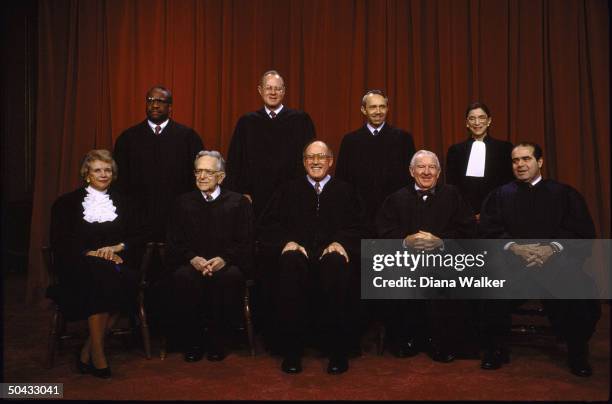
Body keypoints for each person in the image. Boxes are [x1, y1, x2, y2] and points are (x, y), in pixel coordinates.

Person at [479, 142, 601, 377]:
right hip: (512, 265)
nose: (520, 165)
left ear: (540, 162)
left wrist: (551, 249)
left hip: (555, 264)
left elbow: (580, 231)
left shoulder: (564, 193)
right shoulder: (501, 195)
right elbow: (488, 231)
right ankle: (495, 349)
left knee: (578, 283)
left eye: (526, 159)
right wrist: (515, 248)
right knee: (489, 282)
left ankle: (577, 351)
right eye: (515, 161)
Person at [258, 141, 364, 375]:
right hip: (299, 257)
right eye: (310, 157)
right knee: (290, 262)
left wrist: (340, 243)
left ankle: (338, 351)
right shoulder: (287, 190)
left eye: (321, 157)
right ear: (304, 162)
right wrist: (288, 241)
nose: (316, 162)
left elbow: (359, 226)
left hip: (331, 258)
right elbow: (269, 225)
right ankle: (292, 351)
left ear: (331, 161)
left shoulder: (345, 190)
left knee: (337, 263)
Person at [50, 149, 149, 378]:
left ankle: (88, 351)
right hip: (79, 265)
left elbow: (142, 234)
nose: (103, 174)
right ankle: (99, 356)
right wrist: (92, 254)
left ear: (113, 173)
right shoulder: (66, 203)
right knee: (101, 276)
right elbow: (60, 241)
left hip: (117, 263)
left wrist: (117, 248)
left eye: (107, 170)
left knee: (117, 278)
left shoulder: (125, 202)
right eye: (97, 170)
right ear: (87, 173)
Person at [376, 150, 476, 362]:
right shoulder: (395, 199)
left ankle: (443, 342)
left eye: (432, 167)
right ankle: (406, 340)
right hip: (405, 260)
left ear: (439, 173)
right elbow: (382, 232)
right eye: (421, 167)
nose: (427, 172)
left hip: (445, 258)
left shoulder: (453, 195)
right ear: (412, 172)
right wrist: (405, 241)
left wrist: (441, 242)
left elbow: (468, 231)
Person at [166, 150, 254, 362]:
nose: (202, 177)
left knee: (229, 277)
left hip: (227, 263)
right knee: (183, 277)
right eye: (198, 171)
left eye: (208, 172)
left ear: (221, 177)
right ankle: (193, 342)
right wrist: (193, 258)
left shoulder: (238, 202)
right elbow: (174, 241)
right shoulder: (182, 202)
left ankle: (218, 341)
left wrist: (224, 259)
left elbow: (245, 241)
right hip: (192, 262)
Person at [113, 85, 204, 241]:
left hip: (177, 216)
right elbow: (119, 181)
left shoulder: (188, 137)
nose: (154, 105)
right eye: (150, 100)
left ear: (170, 107)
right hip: (137, 218)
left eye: (160, 101)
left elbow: (198, 178)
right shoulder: (128, 138)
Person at [224, 70, 316, 219]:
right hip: (255, 198)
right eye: (268, 88)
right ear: (260, 90)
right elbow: (235, 161)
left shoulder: (301, 121)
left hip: (292, 196)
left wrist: (304, 190)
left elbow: (311, 159)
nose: (273, 93)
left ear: (284, 91)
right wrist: (240, 193)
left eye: (277, 88)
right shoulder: (246, 122)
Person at [336, 89, 416, 235]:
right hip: (360, 217)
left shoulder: (403, 139)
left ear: (388, 108)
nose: (378, 111)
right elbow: (342, 180)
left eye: (382, 106)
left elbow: (411, 179)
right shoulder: (350, 141)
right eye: (373, 107)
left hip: (395, 216)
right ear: (363, 110)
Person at [445, 101, 514, 220]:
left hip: (497, 213)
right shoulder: (455, 150)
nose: (477, 122)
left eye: (481, 118)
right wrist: (468, 213)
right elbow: (453, 187)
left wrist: (488, 212)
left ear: (489, 121)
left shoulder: (504, 148)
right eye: (472, 118)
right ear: (467, 123)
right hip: (465, 215)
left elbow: (508, 185)